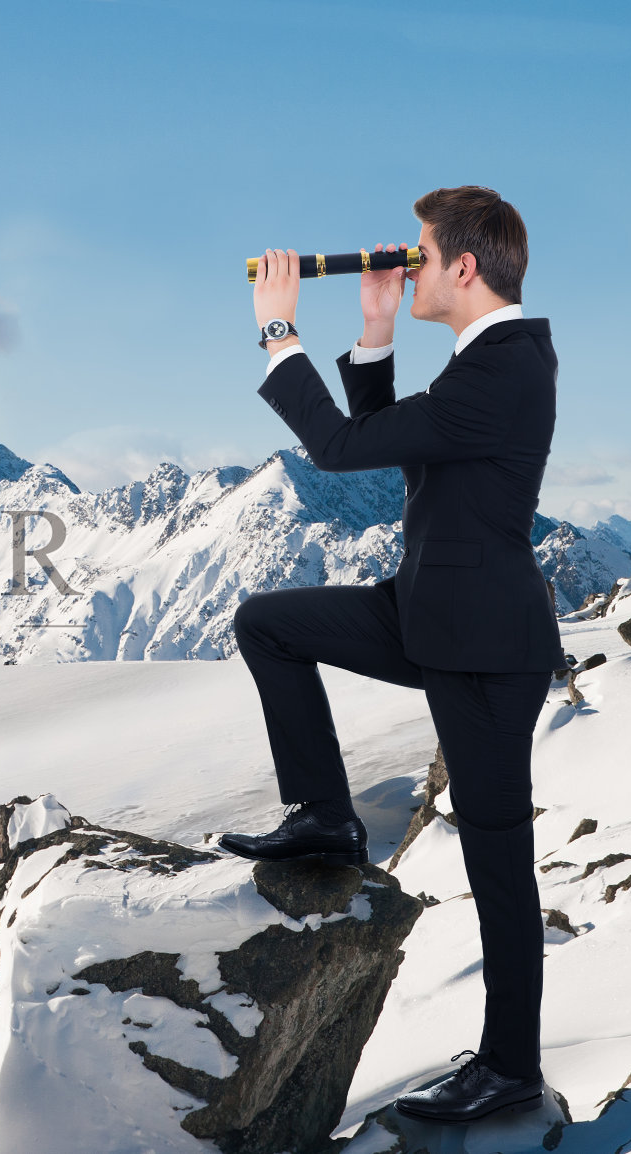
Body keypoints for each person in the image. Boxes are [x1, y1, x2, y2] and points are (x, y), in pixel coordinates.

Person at [220, 186, 565, 1123]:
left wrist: (278, 330)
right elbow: (397, 450)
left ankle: (510, 1067)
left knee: (497, 857)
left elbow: (337, 448)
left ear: (464, 266)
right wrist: (374, 332)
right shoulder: (487, 360)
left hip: (485, 648)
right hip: (428, 614)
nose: (408, 267)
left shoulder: (505, 367)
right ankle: (327, 819)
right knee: (268, 624)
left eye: (420, 255)